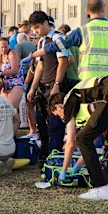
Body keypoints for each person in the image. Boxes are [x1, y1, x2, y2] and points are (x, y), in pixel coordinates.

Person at [49, 75, 108, 200]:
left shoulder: (69, 100)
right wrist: (78, 165)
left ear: (58, 107)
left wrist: (64, 171)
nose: (62, 118)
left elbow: (71, 143)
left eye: (58, 115)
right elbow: (92, 138)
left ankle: (101, 187)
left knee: (81, 138)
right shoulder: (84, 100)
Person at [31, 0, 108, 82]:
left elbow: (56, 45)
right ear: (103, 9)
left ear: (87, 11)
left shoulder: (82, 31)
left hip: (88, 83)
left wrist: (35, 54)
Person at [26, 11, 70, 157]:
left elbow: (65, 61)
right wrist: (32, 87)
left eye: (37, 27)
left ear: (46, 23)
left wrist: (57, 84)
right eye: (33, 29)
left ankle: (55, 156)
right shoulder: (41, 41)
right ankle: (45, 154)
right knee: (41, 122)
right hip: (43, 86)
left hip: (55, 85)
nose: (36, 31)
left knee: (55, 125)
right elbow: (40, 66)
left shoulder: (58, 38)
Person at [0, 37, 23, 110]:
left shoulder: (12, 53)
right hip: (4, 84)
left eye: (5, 47)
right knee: (4, 110)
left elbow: (14, 71)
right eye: (1, 47)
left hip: (15, 83)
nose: (3, 49)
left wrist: (0, 73)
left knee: (12, 109)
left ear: (9, 45)